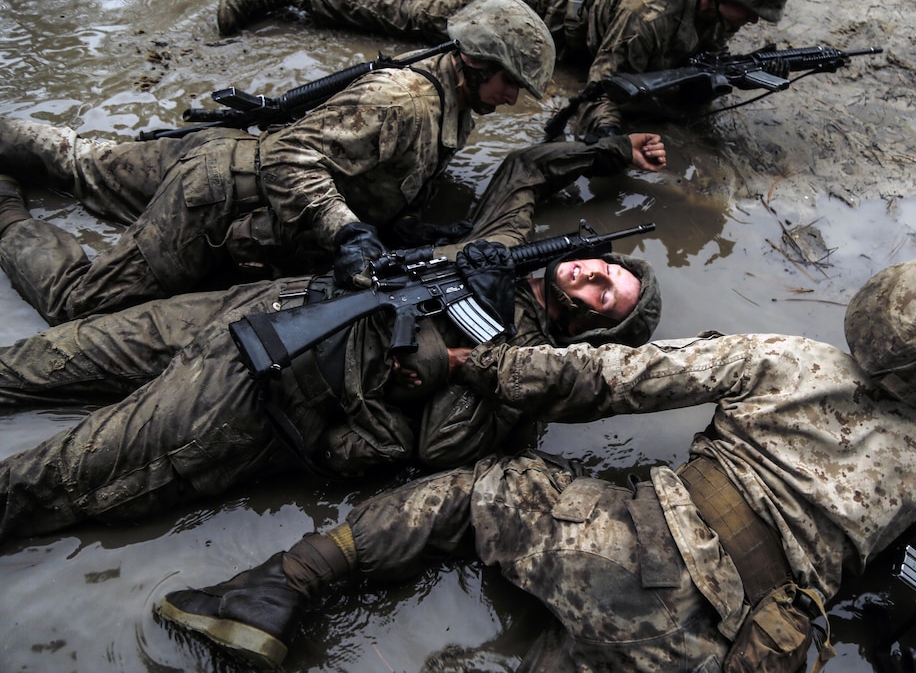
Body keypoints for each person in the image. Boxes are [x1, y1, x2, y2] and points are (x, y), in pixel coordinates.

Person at [155, 254, 916, 671]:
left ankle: (280, 586)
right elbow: (902, 571)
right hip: (726, 649)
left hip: (628, 553)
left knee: (479, 490)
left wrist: (467, 364)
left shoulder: (793, 359)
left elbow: (605, 376)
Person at [0, 134, 665, 543]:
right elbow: (523, 169)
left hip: (258, 393)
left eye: (604, 292)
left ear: (587, 326)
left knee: (55, 477)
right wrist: (609, 147)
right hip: (253, 307)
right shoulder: (501, 250)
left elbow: (440, 446)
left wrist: (487, 345)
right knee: (44, 357)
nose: (591, 273)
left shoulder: (524, 374)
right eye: (604, 267)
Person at [0, 0, 556, 326]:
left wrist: (405, 226)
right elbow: (291, 158)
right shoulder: (403, 102)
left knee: (82, 164)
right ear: (479, 62)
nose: (512, 99)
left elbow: (365, 167)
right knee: (78, 306)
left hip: (226, 160)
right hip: (214, 200)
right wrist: (348, 234)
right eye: (511, 84)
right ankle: (5, 209)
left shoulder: (443, 87)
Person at [214, 0, 795, 139]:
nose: (752, 21)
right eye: (749, 9)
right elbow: (601, 93)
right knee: (419, 17)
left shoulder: (714, 0)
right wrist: (612, 143)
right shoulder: (651, 13)